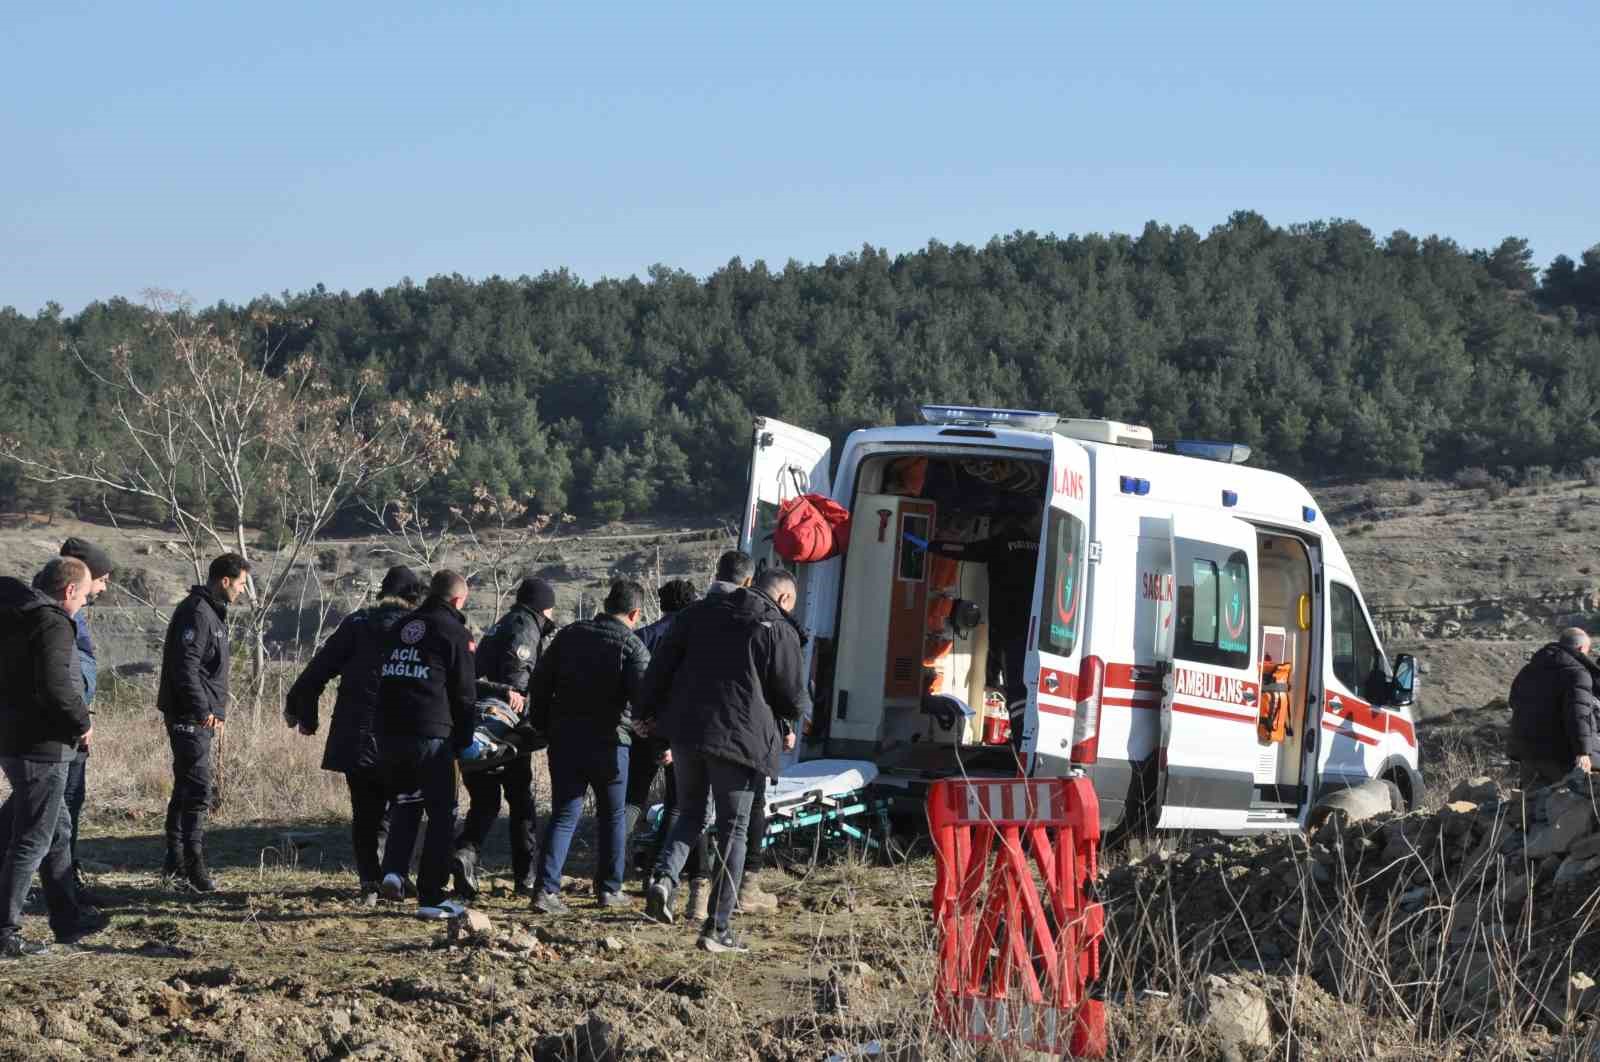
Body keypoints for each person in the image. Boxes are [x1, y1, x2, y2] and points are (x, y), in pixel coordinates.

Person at [640, 568, 807, 954]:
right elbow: (792, 696)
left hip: (686, 732)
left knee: (690, 813)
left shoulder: (695, 614)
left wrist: (649, 713)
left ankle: (664, 879)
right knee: (734, 830)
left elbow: (660, 667)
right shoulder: (773, 626)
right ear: (782, 599)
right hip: (739, 740)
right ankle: (717, 928)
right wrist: (782, 719)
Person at [285, 565, 424, 902]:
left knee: (365, 812)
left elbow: (318, 670)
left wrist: (304, 713)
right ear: (413, 597)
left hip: (356, 735)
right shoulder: (419, 628)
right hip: (403, 735)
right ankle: (394, 873)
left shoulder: (357, 624)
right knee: (404, 807)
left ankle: (370, 882)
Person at [0, 557, 105, 958]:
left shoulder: (15, 617)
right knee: (33, 838)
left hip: (15, 738)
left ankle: (67, 918)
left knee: (57, 830)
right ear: (68, 592)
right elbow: (57, 685)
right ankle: (6, 932)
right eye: (82, 596)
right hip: (43, 745)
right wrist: (82, 723)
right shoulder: (53, 622)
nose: (82, 604)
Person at [526, 580, 649, 914]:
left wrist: (540, 723)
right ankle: (609, 889)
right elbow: (643, 701)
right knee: (613, 816)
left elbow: (540, 681)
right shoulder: (632, 647)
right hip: (610, 744)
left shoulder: (569, 635)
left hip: (565, 739)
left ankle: (545, 891)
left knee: (565, 814)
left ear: (606, 604)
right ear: (635, 613)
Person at [374, 570, 476, 919]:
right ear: (458, 600)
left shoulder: (400, 627)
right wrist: (464, 740)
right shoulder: (453, 632)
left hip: (387, 732)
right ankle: (432, 896)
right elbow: (464, 693)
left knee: (405, 801)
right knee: (442, 813)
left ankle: (393, 873)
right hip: (430, 733)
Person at [452, 576, 558, 899]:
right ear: (543, 607)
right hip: (504, 729)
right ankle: (525, 878)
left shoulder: (499, 626)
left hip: (475, 724)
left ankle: (465, 856)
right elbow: (518, 687)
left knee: (484, 802)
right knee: (521, 802)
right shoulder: (526, 628)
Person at [158, 552, 250, 893]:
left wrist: (216, 712)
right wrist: (203, 710)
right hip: (189, 716)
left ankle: (175, 864)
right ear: (224, 581)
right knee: (197, 790)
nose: (242, 590)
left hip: (201, 716)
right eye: (240, 583)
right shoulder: (197, 613)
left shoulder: (211, 612)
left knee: (186, 786)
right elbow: (186, 668)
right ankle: (193, 868)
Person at [927, 512, 1042, 749]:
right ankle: (1022, 738)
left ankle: (1021, 742)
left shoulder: (1001, 543)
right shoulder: (1037, 547)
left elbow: (965, 551)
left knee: (1016, 688)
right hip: (1032, 628)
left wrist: (930, 545)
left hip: (1008, 626)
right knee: (1022, 686)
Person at [623, 580, 701, 898]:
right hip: (677, 730)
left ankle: (613, 864)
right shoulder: (692, 640)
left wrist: (639, 722)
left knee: (633, 799)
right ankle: (657, 872)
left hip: (642, 728)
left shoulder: (641, 636)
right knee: (677, 805)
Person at [1509, 627, 1600, 789]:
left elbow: (1514, 702)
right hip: (1561, 755)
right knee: (1566, 806)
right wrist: (1583, 752)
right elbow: (1579, 714)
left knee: (1531, 807)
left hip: (1528, 754)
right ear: (1580, 649)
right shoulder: (1578, 674)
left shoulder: (1528, 671)